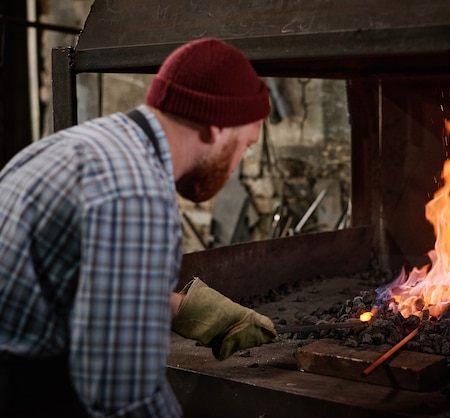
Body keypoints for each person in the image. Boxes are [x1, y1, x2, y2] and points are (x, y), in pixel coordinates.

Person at [0, 37, 277, 417]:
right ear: (216, 127)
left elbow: (63, 284)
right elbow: (124, 398)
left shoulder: (81, 147)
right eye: (244, 146)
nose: (235, 169)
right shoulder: (135, 193)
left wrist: (180, 307)